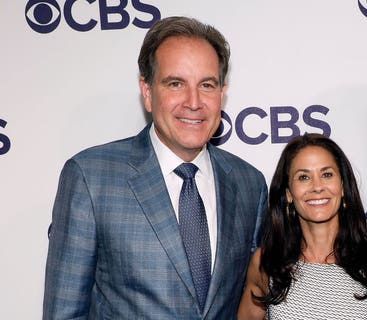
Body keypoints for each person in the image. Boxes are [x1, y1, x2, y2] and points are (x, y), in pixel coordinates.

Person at [43, 16, 267, 319]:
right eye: (176, 83)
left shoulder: (249, 184)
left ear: (222, 93)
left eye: (207, 85)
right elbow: (64, 312)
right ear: (147, 92)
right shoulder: (91, 177)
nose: (193, 101)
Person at [237, 133, 367, 319]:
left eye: (327, 174)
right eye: (304, 177)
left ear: (343, 187)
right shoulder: (266, 262)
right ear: (288, 193)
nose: (317, 186)